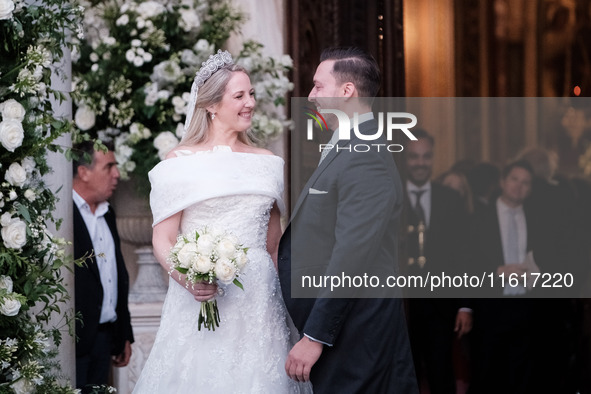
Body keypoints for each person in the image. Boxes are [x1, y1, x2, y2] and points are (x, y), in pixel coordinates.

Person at [132, 51, 310, 393]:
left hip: (261, 305)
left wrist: (295, 313)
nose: (250, 103)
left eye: (252, 94)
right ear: (212, 105)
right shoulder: (180, 161)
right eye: (239, 96)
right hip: (202, 301)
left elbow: (274, 247)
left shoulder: (268, 163)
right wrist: (189, 280)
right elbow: (163, 240)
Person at [277, 46, 418, 393]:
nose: (310, 96)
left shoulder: (365, 154)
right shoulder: (347, 145)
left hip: (358, 332)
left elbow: (352, 256)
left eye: (318, 86)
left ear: (347, 91)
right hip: (349, 331)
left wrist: (315, 336)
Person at [469, 160, 568, 394]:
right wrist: (497, 272)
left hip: (527, 307)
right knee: (487, 375)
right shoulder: (479, 218)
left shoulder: (538, 219)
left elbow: (552, 258)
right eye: (514, 179)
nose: (519, 186)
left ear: (530, 189)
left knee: (523, 377)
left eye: (526, 183)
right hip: (491, 306)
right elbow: (467, 264)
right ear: (503, 182)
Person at [399, 129, 472, 394]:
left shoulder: (450, 199)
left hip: (441, 307)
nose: (420, 163)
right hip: (400, 306)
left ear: (433, 158)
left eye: (426, 157)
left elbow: (464, 253)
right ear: (405, 159)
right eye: (414, 157)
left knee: (441, 374)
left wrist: (465, 305)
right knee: (404, 375)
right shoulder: (391, 197)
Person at [73, 141, 134, 392]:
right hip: (74, 342)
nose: (117, 174)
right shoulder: (63, 214)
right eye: (109, 166)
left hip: (105, 339)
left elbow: (116, 275)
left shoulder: (108, 213)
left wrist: (124, 334)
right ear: (83, 172)